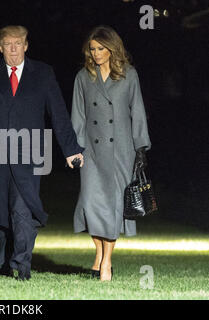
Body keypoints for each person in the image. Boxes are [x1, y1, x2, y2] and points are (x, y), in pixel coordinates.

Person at [0, 25, 84, 280]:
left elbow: (58, 113)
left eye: (19, 43)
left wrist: (71, 149)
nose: (14, 49)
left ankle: (22, 264)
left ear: (27, 45)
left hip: (29, 153)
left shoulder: (43, 73)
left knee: (22, 208)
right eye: (8, 44)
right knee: (0, 214)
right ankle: (7, 259)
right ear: (0, 47)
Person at [71, 25, 151, 281]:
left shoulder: (129, 75)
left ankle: (106, 262)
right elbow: (78, 116)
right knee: (92, 204)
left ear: (112, 49)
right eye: (92, 49)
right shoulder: (83, 77)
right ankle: (98, 254)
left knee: (115, 206)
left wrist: (141, 147)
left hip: (120, 151)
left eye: (101, 49)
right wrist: (76, 149)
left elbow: (137, 111)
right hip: (91, 151)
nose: (96, 54)